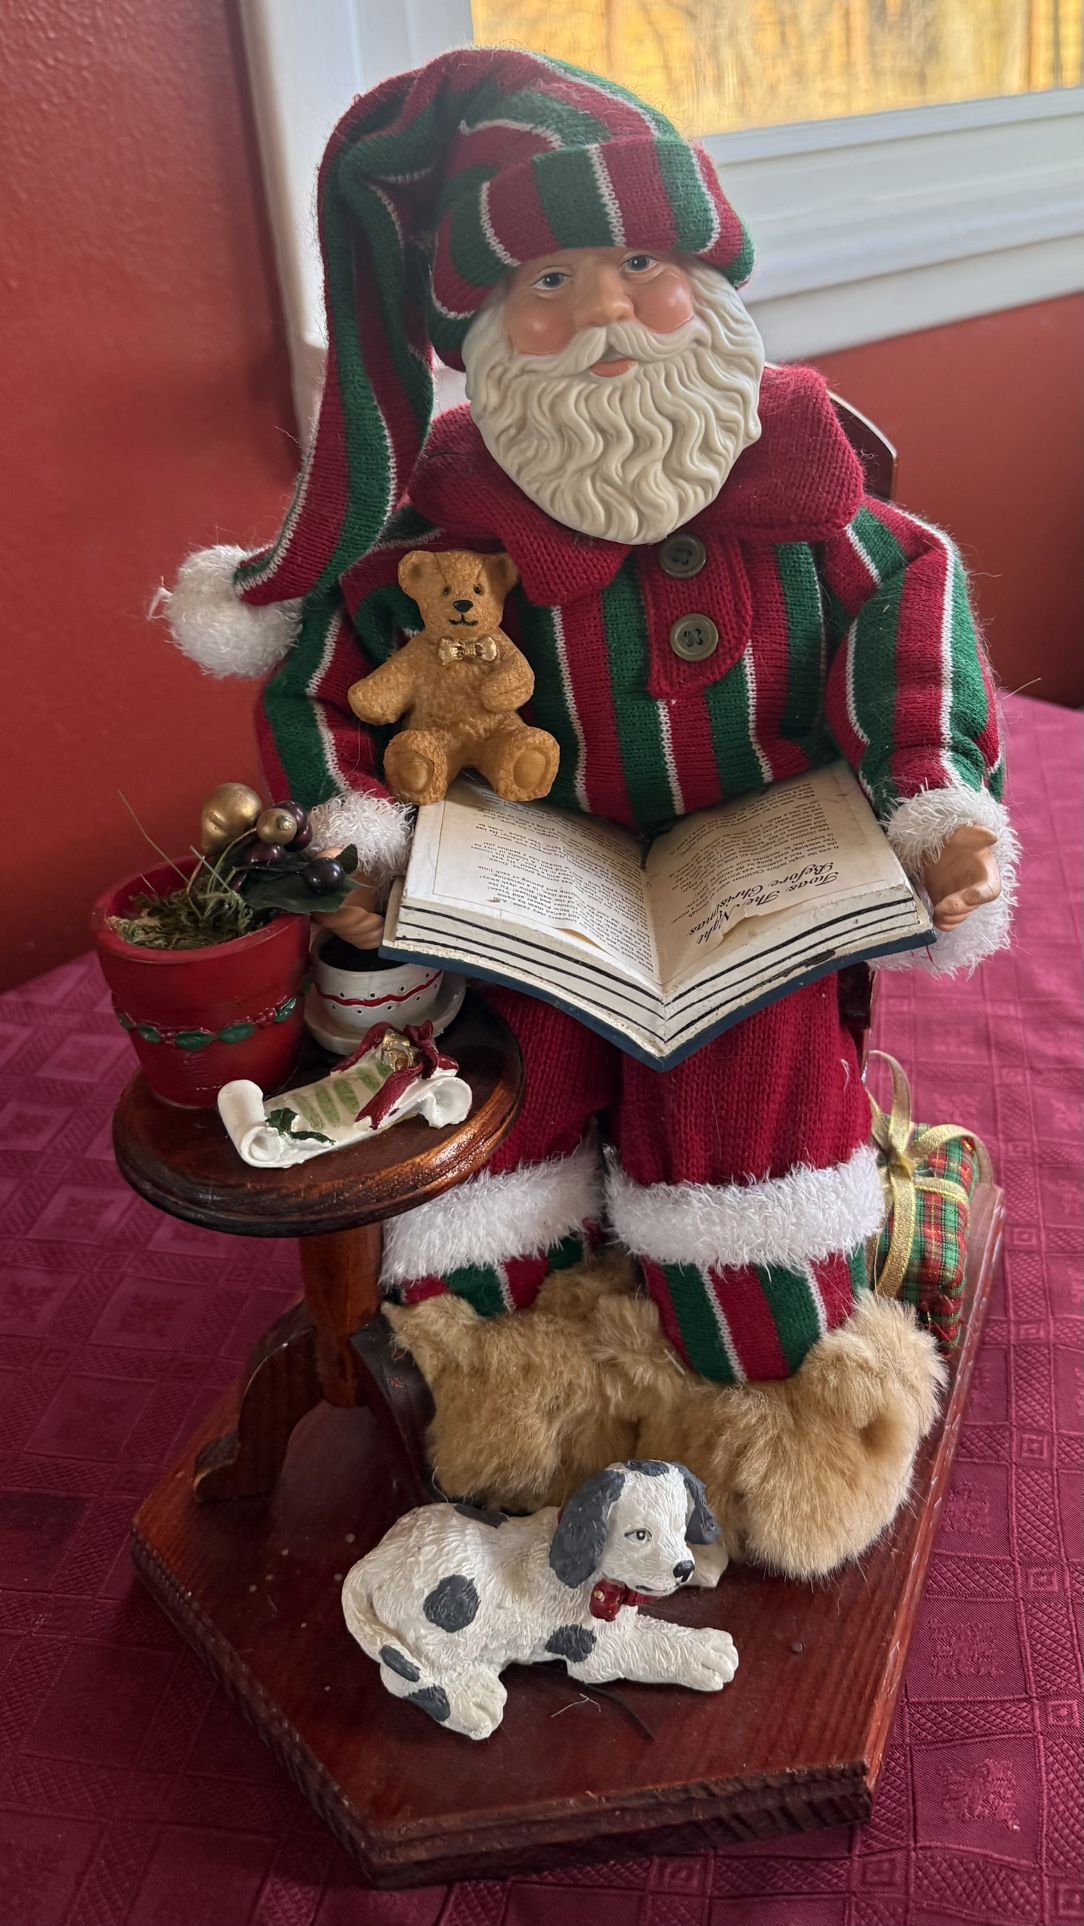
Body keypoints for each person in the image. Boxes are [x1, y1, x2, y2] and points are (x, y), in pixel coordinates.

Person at [164, 48, 1014, 1574]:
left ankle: (778, 1377)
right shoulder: (443, 541)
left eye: (642, 264)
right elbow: (323, 673)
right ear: (486, 335)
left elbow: (914, 640)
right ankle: (513, 1366)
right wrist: (361, 842)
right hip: (541, 912)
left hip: (754, 904)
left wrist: (932, 813)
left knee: (759, 1075)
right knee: (493, 1083)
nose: (608, 312)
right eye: (550, 279)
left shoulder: (826, 515)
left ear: (709, 280)